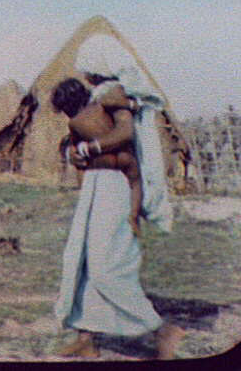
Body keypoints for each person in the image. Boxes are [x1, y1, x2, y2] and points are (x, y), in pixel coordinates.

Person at [53, 34, 184, 359]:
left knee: (106, 265)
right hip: (97, 184)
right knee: (82, 259)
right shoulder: (97, 97)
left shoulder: (113, 94)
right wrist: (77, 152)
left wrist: (90, 148)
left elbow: (124, 133)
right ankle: (87, 337)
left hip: (116, 186)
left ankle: (161, 330)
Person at [52, 77, 143, 237]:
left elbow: (77, 147)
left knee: (84, 169)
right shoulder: (103, 104)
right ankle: (134, 216)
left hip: (102, 161)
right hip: (125, 157)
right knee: (135, 182)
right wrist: (133, 105)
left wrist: (85, 149)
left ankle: (86, 202)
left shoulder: (74, 123)